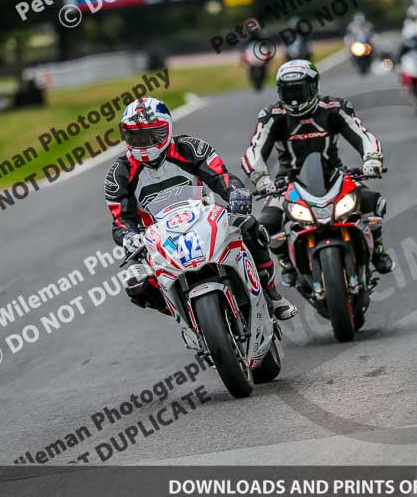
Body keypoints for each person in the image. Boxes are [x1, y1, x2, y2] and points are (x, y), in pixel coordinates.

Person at [104, 97, 297, 321]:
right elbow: (120, 220)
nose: (143, 142)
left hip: (204, 219)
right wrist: (128, 236)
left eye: (150, 135)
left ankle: (272, 293)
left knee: (251, 226)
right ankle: (185, 317)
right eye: (134, 135)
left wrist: (235, 192)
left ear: (166, 129)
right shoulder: (120, 173)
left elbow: (222, 178)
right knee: (136, 284)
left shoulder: (190, 148)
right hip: (157, 239)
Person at [241, 60, 394, 286]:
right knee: (266, 224)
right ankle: (286, 261)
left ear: (314, 86)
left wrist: (371, 159)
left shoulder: (333, 108)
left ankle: (378, 249)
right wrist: (262, 178)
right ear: (279, 92)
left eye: (300, 90)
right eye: (288, 91)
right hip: (288, 183)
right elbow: (255, 150)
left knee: (373, 201)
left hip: (336, 175)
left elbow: (362, 134)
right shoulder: (272, 116)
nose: (295, 99)